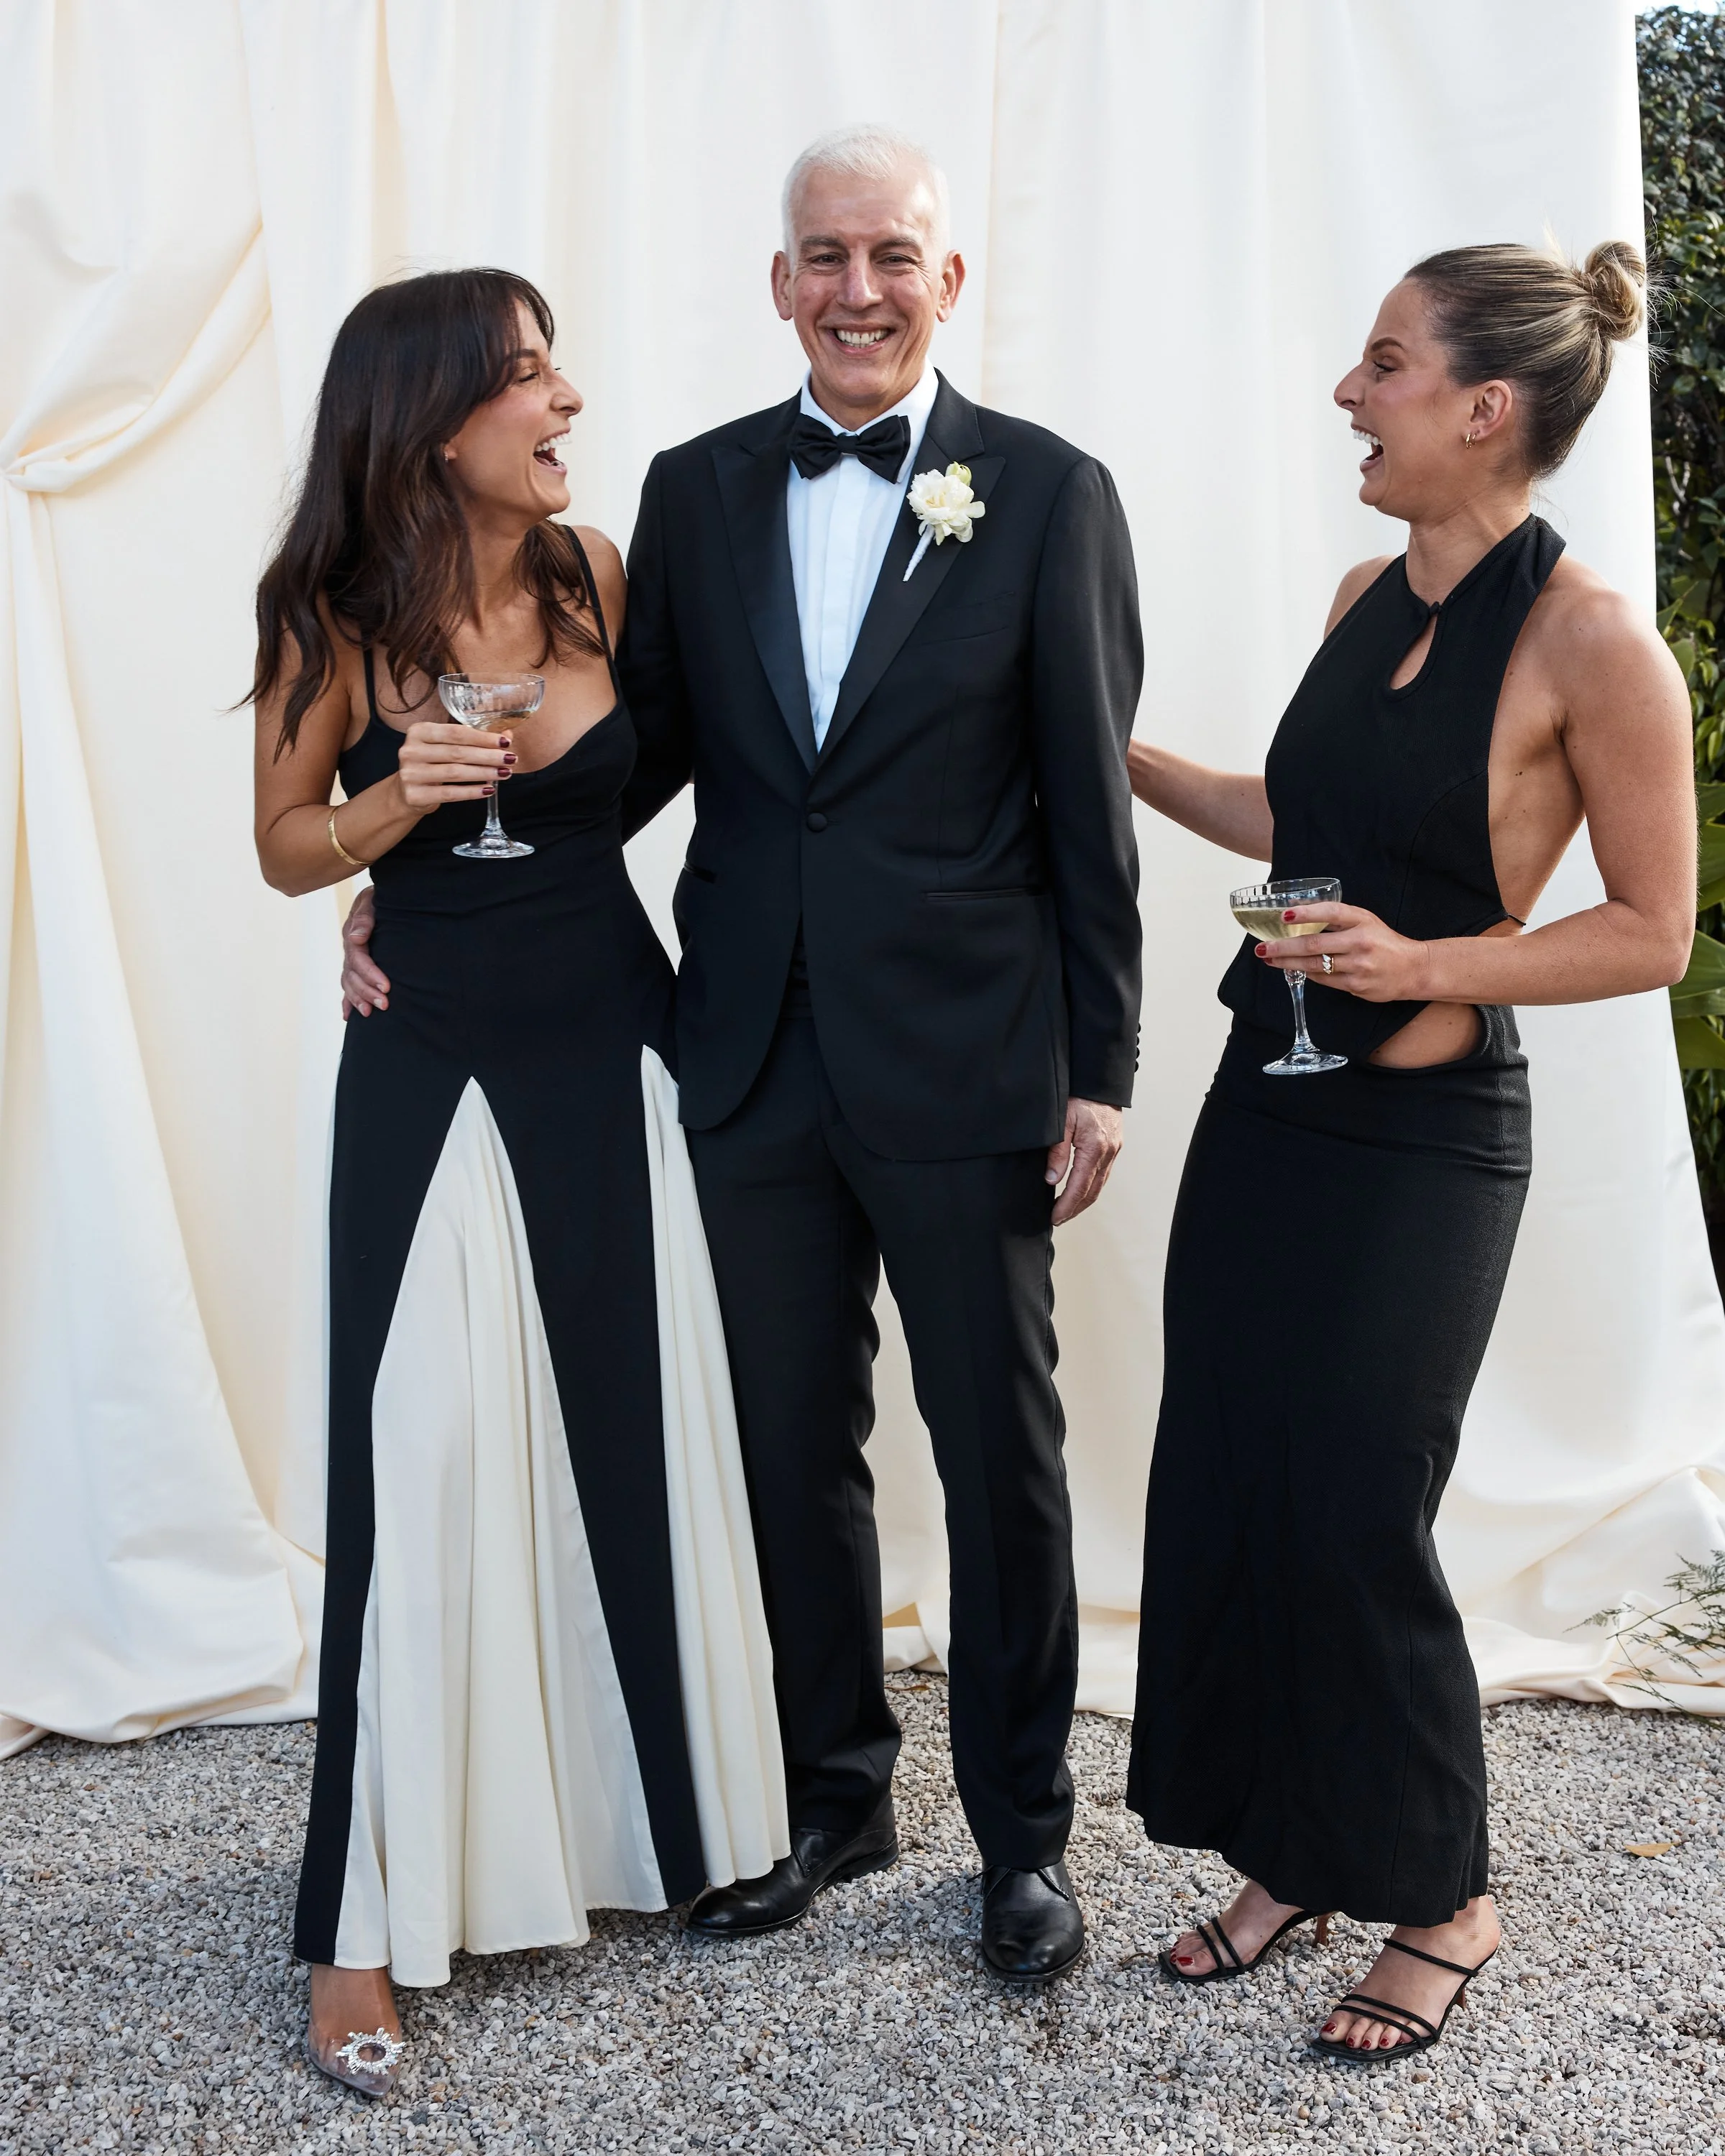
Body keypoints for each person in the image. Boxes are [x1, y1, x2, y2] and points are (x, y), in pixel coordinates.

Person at [344, 123, 1144, 1981]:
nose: (856, 290)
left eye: (891, 256)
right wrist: (404, 882)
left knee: (999, 1449)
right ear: (779, 282)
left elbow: (1089, 809)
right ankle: (831, 1797)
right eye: (822, 256)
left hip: (967, 1063)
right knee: (788, 1446)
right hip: (743, 1062)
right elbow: (639, 759)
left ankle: (1023, 1841)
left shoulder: (1047, 492)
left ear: (949, 280)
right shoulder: (692, 496)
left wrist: (1097, 1069)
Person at [1124, 242, 1693, 2060]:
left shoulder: (1599, 643)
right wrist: (1110, 753)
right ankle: (1295, 1850)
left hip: (1429, 1139)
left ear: (1484, 407)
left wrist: (1426, 959)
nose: (1349, 396)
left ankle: (1445, 1894)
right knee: (1234, 1468)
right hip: (1270, 1093)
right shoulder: (1366, 589)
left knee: (1360, 1500)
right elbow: (1295, 817)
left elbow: (1655, 928)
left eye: (1382, 365)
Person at [252, 269, 787, 2097]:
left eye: (561, 365)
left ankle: (657, 1827)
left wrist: (507, 835)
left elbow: (633, 782)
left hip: (615, 1048)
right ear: (434, 418)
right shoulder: (330, 614)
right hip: (434, 1068)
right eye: (532, 374)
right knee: (422, 1458)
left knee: (631, 1431)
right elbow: (277, 843)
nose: (570, 398)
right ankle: (357, 1926)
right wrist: (389, 835)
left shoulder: (596, 574)